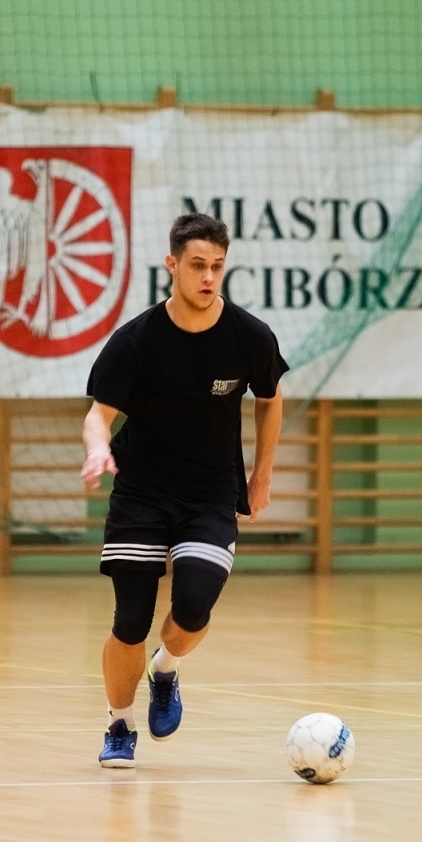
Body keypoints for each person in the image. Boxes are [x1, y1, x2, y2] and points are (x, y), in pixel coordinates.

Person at [80, 212, 287, 768]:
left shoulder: (249, 336)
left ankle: (165, 669)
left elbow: (269, 399)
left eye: (218, 266)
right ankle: (119, 725)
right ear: (172, 265)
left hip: (210, 494)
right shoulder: (137, 340)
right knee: (130, 620)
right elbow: (99, 414)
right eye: (197, 265)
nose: (209, 277)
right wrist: (99, 447)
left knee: (194, 608)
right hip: (141, 493)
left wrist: (261, 474)